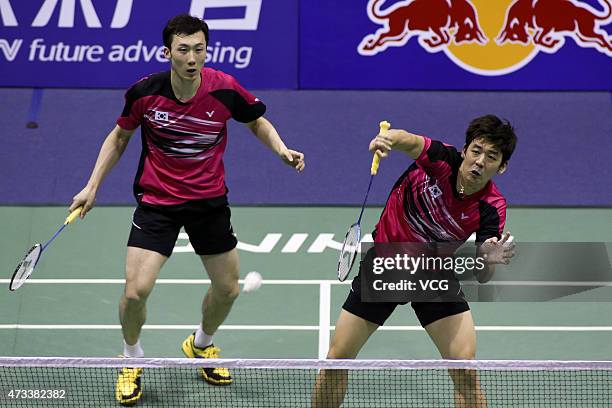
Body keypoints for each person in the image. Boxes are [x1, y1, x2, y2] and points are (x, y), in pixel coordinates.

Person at [69, 14, 305, 406]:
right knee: (134, 293)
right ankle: (131, 358)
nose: (192, 58)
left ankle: (201, 344)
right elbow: (120, 137)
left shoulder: (224, 89)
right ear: (168, 53)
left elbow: (256, 121)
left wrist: (280, 147)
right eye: (184, 50)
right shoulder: (145, 93)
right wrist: (91, 185)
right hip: (157, 201)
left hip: (208, 202)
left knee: (228, 289)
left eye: (199, 49)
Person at [312, 115, 517, 408]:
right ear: (464, 150)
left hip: (433, 274)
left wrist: (490, 259)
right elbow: (410, 140)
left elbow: (484, 273)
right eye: (476, 150)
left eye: (491, 156)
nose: (480, 161)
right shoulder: (442, 160)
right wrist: (388, 140)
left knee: (466, 373)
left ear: (502, 166)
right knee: (337, 359)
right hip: (387, 265)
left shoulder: (492, 206)